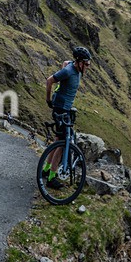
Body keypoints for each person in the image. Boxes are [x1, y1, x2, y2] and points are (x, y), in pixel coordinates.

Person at [43, 46, 92, 188]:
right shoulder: (69, 71)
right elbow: (49, 80)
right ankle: (52, 177)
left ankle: (46, 169)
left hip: (65, 109)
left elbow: (65, 62)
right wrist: (48, 100)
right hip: (61, 109)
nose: (88, 67)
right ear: (80, 62)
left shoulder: (73, 67)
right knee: (63, 144)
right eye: (86, 64)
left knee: (58, 140)